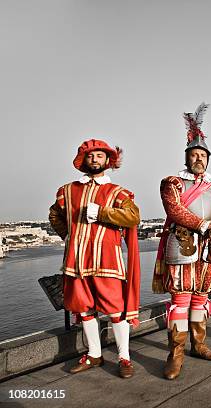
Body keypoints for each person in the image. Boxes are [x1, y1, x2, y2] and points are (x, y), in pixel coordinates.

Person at [153, 102, 211, 380]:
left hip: (209, 248)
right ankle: (175, 354)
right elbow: (174, 209)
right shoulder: (172, 182)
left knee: (200, 299)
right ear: (187, 157)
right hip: (183, 244)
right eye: (194, 154)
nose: (198, 159)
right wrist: (204, 224)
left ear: (208, 159)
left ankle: (199, 345)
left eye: (203, 155)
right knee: (180, 300)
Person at [49, 139, 141, 378]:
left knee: (115, 310)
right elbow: (54, 214)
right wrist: (68, 235)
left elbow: (133, 217)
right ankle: (94, 354)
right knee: (85, 309)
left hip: (107, 261)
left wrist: (102, 213)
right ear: (83, 160)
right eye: (90, 156)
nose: (94, 160)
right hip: (76, 261)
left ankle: (124, 357)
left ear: (107, 160)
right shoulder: (67, 191)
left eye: (99, 155)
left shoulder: (117, 192)